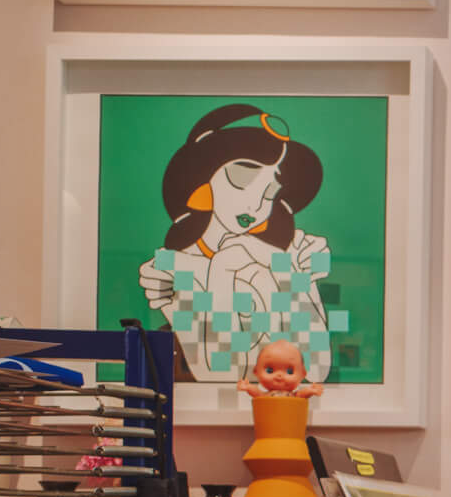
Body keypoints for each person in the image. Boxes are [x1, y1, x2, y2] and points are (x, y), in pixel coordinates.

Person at [136, 105, 333, 384]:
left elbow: (314, 369)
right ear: (203, 175)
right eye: (241, 179)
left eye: (269, 192)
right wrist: (222, 268)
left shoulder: (290, 254)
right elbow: (219, 371)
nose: (254, 205)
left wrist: (268, 259)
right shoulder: (173, 268)